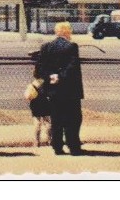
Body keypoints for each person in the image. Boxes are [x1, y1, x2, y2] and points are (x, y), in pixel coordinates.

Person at [35, 21, 85, 156]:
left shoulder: (46, 47)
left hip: (53, 90)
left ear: (56, 32)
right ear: (67, 32)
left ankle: (57, 146)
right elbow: (72, 66)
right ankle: (73, 146)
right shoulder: (71, 46)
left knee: (56, 119)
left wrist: (51, 77)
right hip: (70, 90)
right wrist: (60, 77)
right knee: (73, 119)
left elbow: (40, 68)